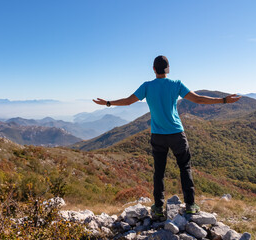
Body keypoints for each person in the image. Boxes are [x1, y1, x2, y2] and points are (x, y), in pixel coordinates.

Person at [93, 55, 241, 218]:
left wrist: (108, 103)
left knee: (159, 171)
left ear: (154, 69)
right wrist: (224, 100)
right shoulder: (176, 84)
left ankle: (157, 207)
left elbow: (128, 101)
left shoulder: (147, 86)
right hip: (177, 133)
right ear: (168, 69)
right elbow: (198, 99)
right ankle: (191, 205)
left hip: (158, 135)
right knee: (185, 168)